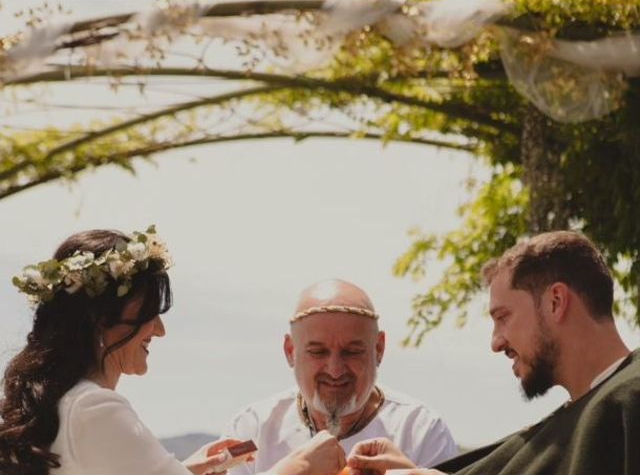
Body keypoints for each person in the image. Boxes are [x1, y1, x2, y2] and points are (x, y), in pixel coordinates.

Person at [0, 227, 346, 475]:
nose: (161, 330)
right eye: (149, 314)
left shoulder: (63, 404)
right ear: (100, 320)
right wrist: (299, 466)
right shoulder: (93, 408)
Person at [347, 231, 640, 475]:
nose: (496, 342)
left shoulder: (629, 397)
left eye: (503, 317)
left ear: (555, 302)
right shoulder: (580, 414)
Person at [224, 279, 457, 475]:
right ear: (290, 351)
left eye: (352, 352)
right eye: (318, 352)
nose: (335, 370)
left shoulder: (421, 431)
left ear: (378, 349)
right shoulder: (250, 431)